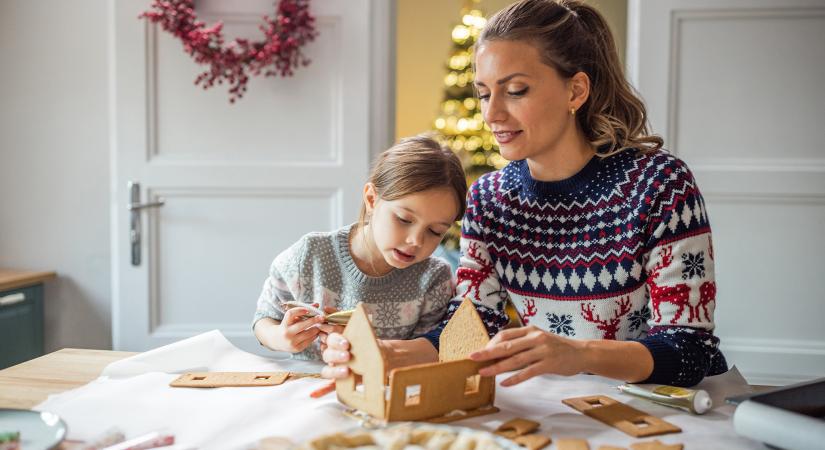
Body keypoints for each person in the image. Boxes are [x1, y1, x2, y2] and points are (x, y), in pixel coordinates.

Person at [323, 0, 727, 387]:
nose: (491, 113)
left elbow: (689, 349)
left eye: (515, 90)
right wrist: (386, 352)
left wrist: (579, 354)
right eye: (484, 93)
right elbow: (472, 328)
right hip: (557, 407)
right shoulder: (489, 200)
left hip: (665, 407)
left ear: (576, 92)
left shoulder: (660, 184)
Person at [252, 135, 467, 361]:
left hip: (386, 391)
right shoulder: (310, 255)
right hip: (307, 387)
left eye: (435, 232)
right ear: (372, 199)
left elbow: (426, 355)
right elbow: (264, 318)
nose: (416, 241)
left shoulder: (434, 278)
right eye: (404, 219)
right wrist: (280, 337)